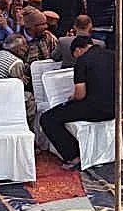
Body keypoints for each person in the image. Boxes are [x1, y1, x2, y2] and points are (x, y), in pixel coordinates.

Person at [39, 36, 116, 170]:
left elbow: (80, 94)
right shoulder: (113, 55)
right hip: (115, 107)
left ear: (78, 50)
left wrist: (71, 98)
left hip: (95, 109)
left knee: (47, 118)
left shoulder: (83, 61)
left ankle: (73, 155)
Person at [20, 8, 59, 87]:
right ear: (32, 27)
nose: (46, 26)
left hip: (47, 79)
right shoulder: (18, 41)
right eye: (42, 24)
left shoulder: (48, 37)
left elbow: (57, 57)